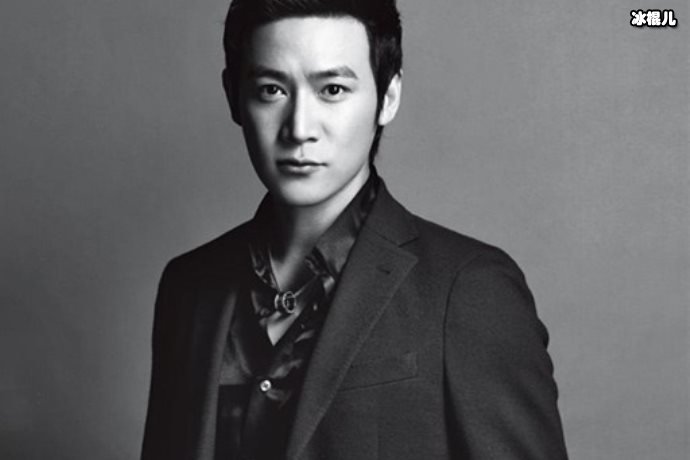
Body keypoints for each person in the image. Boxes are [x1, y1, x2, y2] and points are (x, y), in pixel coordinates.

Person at [141, 0, 569, 459]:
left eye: (332, 90)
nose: (300, 128)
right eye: (271, 90)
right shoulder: (188, 286)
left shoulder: (469, 288)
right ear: (233, 97)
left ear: (388, 97)